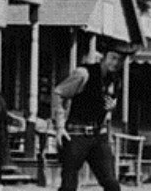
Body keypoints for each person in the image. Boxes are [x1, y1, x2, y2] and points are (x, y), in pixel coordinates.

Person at [52, 39, 139, 191]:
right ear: (104, 57)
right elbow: (59, 93)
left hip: (99, 136)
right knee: (69, 185)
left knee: (112, 184)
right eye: (113, 58)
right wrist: (59, 127)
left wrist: (112, 108)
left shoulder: (115, 80)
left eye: (121, 60)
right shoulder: (83, 73)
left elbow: (106, 105)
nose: (116, 63)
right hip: (76, 134)